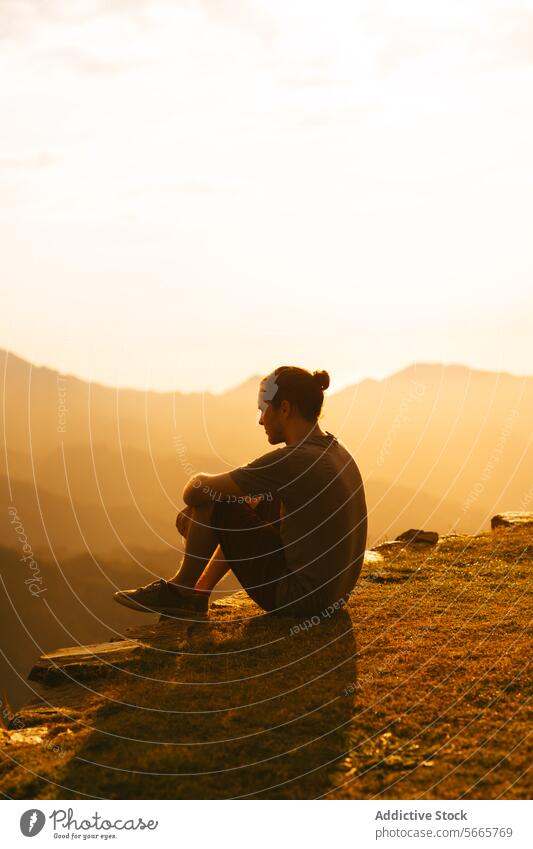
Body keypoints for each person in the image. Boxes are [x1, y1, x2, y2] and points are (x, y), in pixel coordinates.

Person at [113, 366, 367, 619]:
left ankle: (180, 591)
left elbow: (196, 490)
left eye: (263, 409)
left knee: (217, 501)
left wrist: (198, 519)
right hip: (332, 598)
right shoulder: (335, 449)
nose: (260, 420)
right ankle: (198, 593)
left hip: (298, 599)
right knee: (261, 500)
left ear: (285, 409)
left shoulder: (294, 461)